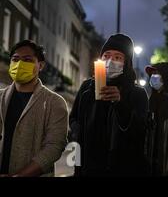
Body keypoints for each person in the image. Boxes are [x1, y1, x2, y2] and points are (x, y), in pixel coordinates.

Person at [69, 33, 149, 176]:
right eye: (106, 56)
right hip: (88, 168)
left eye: (118, 57)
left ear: (127, 63)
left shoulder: (137, 93)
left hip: (121, 169)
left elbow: (140, 131)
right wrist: (79, 135)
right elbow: (74, 118)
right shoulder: (87, 88)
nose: (110, 61)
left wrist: (120, 104)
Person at [0, 40, 68, 177]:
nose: (19, 64)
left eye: (27, 60)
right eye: (15, 59)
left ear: (40, 65)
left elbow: (54, 147)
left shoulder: (54, 103)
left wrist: (20, 176)